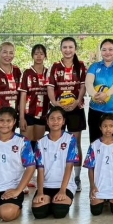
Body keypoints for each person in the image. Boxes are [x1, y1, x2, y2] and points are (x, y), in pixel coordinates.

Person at [47, 37, 87, 192]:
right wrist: (55, 103)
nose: (68, 50)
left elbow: (83, 86)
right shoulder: (55, 66)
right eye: (65, 47)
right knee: (58, 142)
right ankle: (59, 176)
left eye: (71, 47)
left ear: (75, 49)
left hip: (76, 109)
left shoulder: (81, 65)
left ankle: (76, 177)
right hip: (60, 110)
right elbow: (50, 87)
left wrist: (77, 101)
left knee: (75, 143)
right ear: (61, 49)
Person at [32, 106, 80, 219]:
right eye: (52, 118)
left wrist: (62, 191)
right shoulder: (40, 142)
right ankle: (49, 200)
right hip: (46, 185)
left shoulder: (70, 139)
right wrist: (40, 192)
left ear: (63, 121)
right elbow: (40, 170)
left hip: (65, 185)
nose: (55, 121)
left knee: (59, 211)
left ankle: (55, 201)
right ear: (47, 121)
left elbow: (69, 167)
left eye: (59, 118)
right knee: (39, 213)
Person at [84, 113, 113, 215]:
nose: (108, 129)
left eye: (110, 126)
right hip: (99, 186)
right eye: (105, 126)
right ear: (100, 127)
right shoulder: (94, 145)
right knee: (96, 212)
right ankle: (102, 199)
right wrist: (92, 186)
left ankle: (111, 199)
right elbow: (90, 168)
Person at [86, 39, 113, 144]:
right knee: (95, 143)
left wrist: (106, 94)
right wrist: (95, 96)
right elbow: (88, 83)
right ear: (101, 51)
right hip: (95, 110)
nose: (107, 52)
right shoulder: (94, 66)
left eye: (110, 49)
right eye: (104, 50)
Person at [19, 44, 49, 148]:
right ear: (32, 55)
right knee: (26, 145)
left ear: (45, 56)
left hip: (42, 114)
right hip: (28, 113)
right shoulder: (27, 73)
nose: (39, 56)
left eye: (41, 54)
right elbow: (23, 96)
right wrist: (21, 117)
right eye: (36, 54)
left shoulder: (49, 73)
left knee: (37, 145)